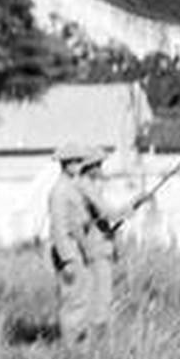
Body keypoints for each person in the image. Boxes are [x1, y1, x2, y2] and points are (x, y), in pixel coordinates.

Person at [48, 144, 121, 343]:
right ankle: (70, 346)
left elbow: (78, 222)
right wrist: (67, 259)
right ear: (67, 164)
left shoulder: (69, 188)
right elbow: (59, 228)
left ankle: (77, 344)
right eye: (77, 161)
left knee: (81, 298)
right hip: (69, 252)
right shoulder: (60, 191)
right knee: (73, 301)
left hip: (77, 250)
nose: (81, 165)